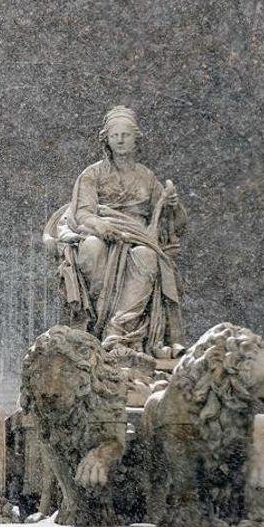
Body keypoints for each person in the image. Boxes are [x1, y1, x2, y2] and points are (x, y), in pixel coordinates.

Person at [44, 106, 187, 357]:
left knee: (147, 256)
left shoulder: (147, 177)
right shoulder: (92, 174)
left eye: (126, 135)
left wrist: (172, 206)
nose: (120, 139)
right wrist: (102, 226)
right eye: (115, 135)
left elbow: (166, 223)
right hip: (100, 232)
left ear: (135, 139)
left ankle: (118, 330)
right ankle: (97, 323)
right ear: (107, 139)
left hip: (136, 238)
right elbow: (82, 213)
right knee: (92, 247)